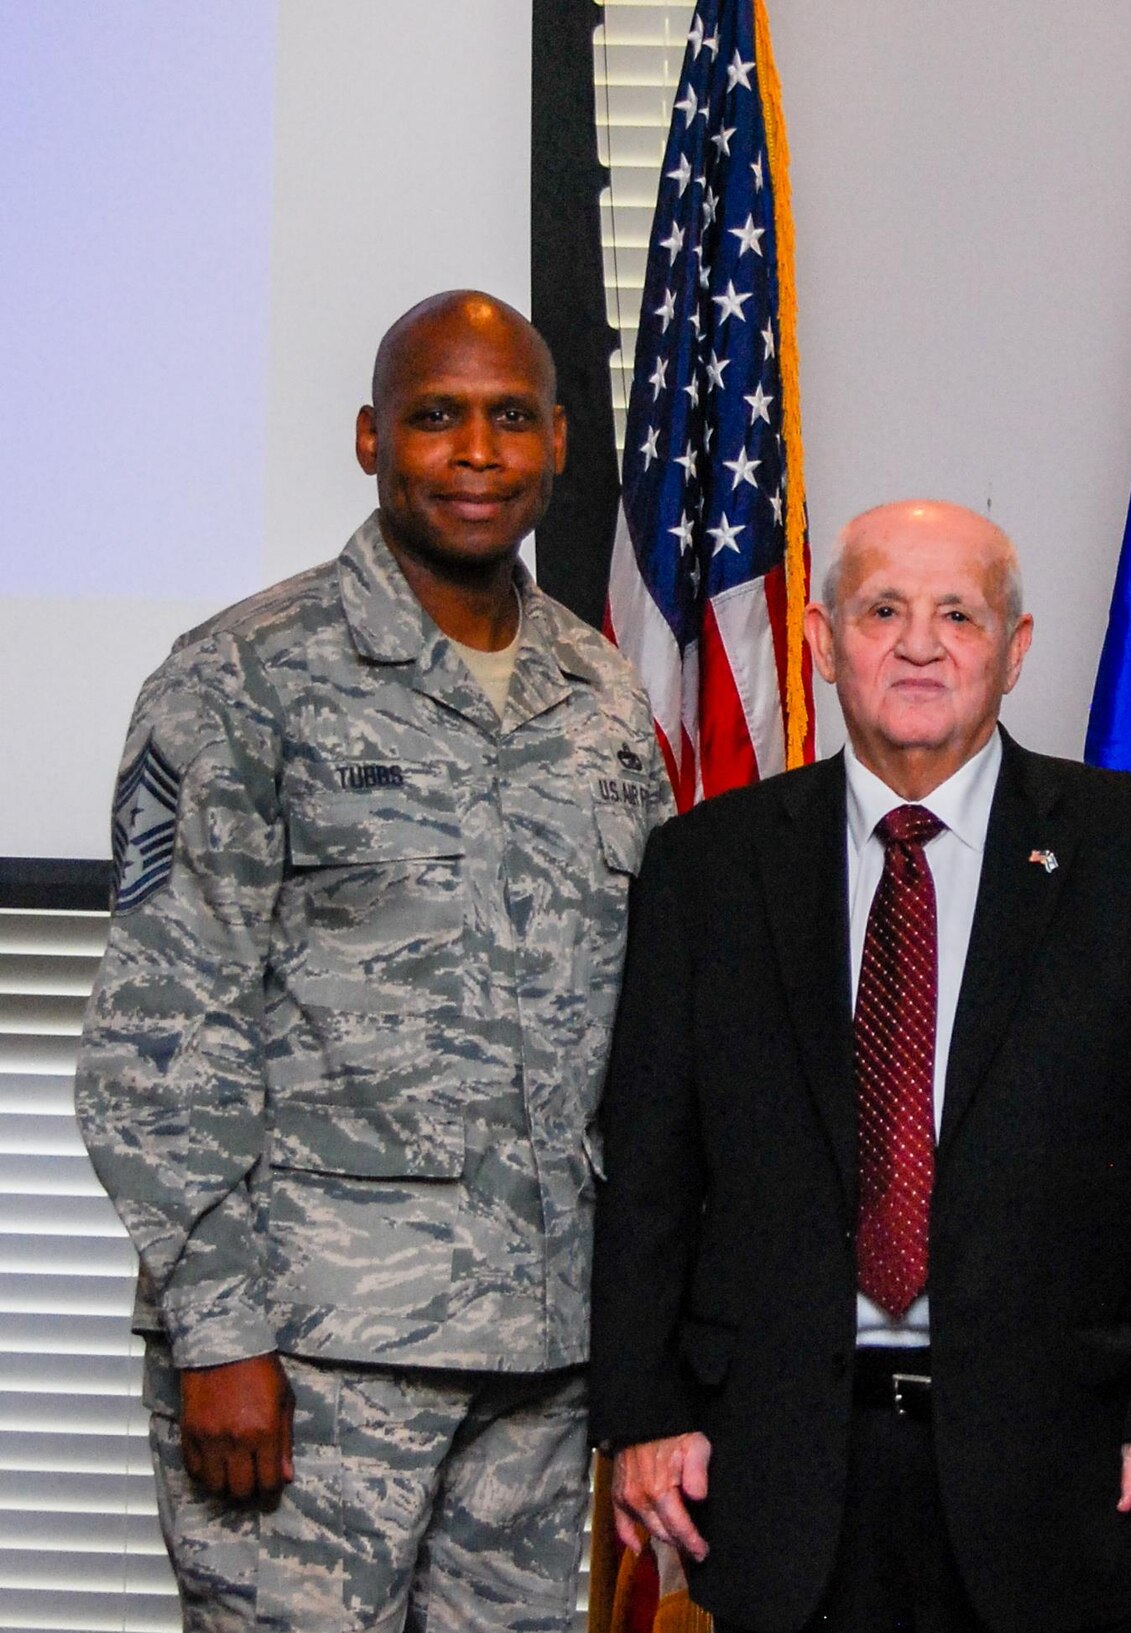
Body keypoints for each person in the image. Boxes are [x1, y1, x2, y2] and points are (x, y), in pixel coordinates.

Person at [74, 290, 670, 1631]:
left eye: (510, 417)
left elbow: (637, 1026)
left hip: (540, 1355)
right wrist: (221, 1331)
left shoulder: (605, 697)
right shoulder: (242, 677)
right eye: (436, 416)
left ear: (561, 443)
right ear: (369, 439)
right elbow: (163, 1033)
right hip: (312, 1353)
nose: (474, 451)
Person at [590, 499, 1131, 1633]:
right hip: (784, 1466)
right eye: (882, 609)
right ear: (818, 638)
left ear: (1014, 649)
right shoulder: (707, 866)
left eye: (958, 613)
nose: (916, 643)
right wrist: (643, 1407)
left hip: (1070, 1469)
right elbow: (651, 1162)